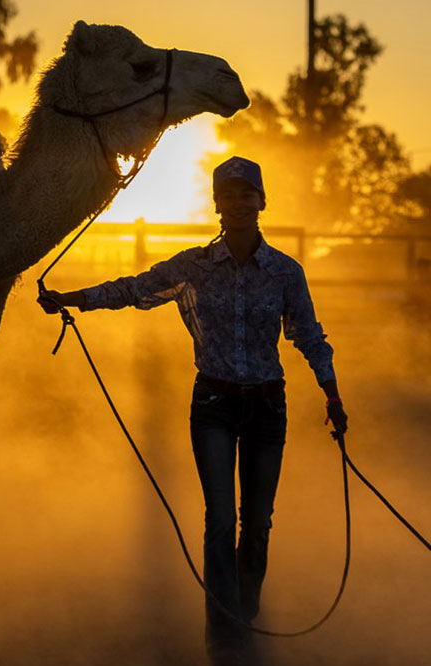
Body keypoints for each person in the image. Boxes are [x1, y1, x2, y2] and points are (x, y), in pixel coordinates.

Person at [38, 156, 348, 665]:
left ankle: (246, 610)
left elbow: (309, 335)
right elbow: (132, 289)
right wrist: (72, 298)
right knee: (221, 517)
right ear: (218, 206)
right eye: (229, 196)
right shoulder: (194, 268)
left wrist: (332, 394)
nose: (239, 204)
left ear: (261, 202)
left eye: (247, 195)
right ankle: (224, 630)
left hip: (268, 404)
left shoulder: (285, 273)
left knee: (259, 520)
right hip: (214, 403)